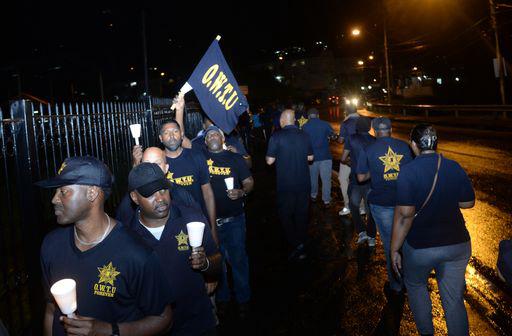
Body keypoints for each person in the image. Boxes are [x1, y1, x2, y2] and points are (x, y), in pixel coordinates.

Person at [37, 156, 172, 336]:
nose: (55, 199)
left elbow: (163, 319)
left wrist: (108, 330)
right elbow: (51, 310)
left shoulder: (136, 253)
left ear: (92, 193)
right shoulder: (51, 245)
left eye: (63, 191)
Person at [391, 124, 475, 336]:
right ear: (436, 144)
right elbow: (467, 203)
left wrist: (394, 249)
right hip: (457, 244)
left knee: (416, 285)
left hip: (421, 246)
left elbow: (405, 215)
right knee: (453, 298)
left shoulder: (408, 172)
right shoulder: (454, 166)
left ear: (413, 145)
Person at [127, 162, 222, 335]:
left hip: (197, 323)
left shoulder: (192, 218)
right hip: (153, 329)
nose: (161, 199)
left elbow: (217, 260)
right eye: (150, 194)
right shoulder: (127, 236)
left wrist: (206, 264)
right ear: (134, 197)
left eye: (163, 190)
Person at [356, 117, 413, 298]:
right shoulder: (404, 146)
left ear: (373, 130)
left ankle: (396, 285)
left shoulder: (368, 149)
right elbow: (413, 171)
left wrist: (376, 170)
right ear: (391, 129)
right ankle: (413, 280)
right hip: (406, 202)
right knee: (407, 241)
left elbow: (360, 178)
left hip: (382, 204)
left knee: (391, 244)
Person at [203, 125, 254, 319]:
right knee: (218, 263)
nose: (214, 136)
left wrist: (242, 191)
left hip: (234, 220)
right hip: (211, 222)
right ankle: (223, 299)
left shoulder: (235, 158)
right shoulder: (200, 159)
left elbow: (249, 181)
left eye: (217, 134)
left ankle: (243, 299)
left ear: (223, 139)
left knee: (239, 260)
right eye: (210, 135)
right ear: (206, 141)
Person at [157, 119, 218, 242]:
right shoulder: (157, 162)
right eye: (166, 133)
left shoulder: (196, 156)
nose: (172, 136)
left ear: (181, 135)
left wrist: (213, 227)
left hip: (199, 222)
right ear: (160, 138)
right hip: (171, 228)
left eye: (175, 131)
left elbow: (208, 194)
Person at [266, 109, 314, 260]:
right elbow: (310, 157)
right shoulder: (305, 135)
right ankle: (301, 240)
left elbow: (269, 161)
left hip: (286, 185)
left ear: (282, 121)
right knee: (301, 214)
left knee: (285, 215)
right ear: (294, 120)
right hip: (304, 183)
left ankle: (295, 243)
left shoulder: (276, 136)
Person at [119, 147, 199, 225]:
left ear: (166, 168)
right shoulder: (130, 202)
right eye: (147, 164)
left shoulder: (181, 195)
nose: (152, 168)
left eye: (157, 163)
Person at [341, 116, 376, 246]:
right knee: (370, 209)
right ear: (369, 127)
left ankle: (361, 232)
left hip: (356, 179)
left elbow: (343, 158)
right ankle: (372, 236)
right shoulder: (374, 140)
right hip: (370, 180)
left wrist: (352, 164)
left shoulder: (351, 138)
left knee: (353, 205)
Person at [302, 107, 336, 206]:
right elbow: (333, 136)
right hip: (325, 156)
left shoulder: (305, 126)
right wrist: (330, 137)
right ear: (318, 115)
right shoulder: (325, 124)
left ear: (308, 116)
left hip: (311, 157)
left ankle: (313, 195)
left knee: (313, 178)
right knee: (326, 179)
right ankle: (326, 200)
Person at [337, 106, 359, 216]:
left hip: (348, 155)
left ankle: (348, 205)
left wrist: (338, 137)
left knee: (342, 178)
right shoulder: (363, 120)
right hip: (362, 156)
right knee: (361, 181)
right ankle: (362, 207)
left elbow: (341, 140)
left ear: (346, 112)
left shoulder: (345, 123)